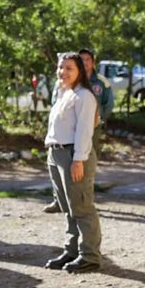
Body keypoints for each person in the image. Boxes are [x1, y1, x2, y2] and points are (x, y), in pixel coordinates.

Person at [43, 52, 102, 274]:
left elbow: (85, 130)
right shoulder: (64, 92)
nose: (63, 72)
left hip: (73, 156)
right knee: (68, 207)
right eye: (61, 67)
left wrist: (78, 159)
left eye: (69, 68)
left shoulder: (84, 96)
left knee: (81, 207)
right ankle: (72, 250)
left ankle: (90, 256)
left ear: (80, 72)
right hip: (56, 153)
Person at [42, 48, 113, 213]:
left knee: (81, 179)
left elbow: (108, 104)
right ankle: (59, 201)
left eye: (88, 59)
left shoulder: (97, 84)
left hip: (88, 131)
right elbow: (55, 106)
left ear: (92, 63)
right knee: (65, 192)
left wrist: (97, 118)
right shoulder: (62, 86)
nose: (63, 71)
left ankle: (85, 198)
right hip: (62, 142)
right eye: (61, 67)